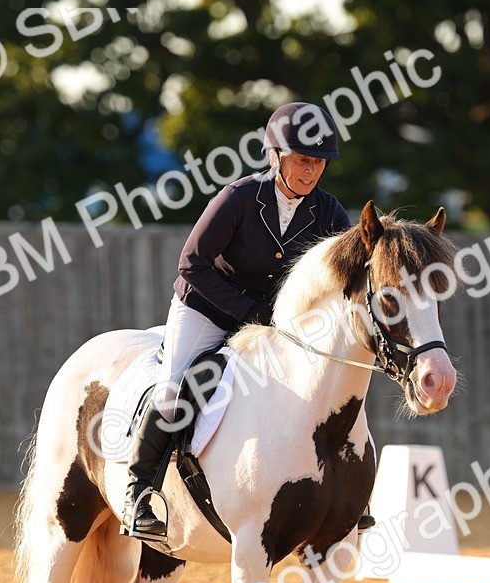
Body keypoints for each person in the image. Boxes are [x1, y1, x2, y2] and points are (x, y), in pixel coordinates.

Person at [121, 100, 373, 539]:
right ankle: (139, 491)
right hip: (207, 308)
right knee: (176, 385)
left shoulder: (329, 213)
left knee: (332, 386)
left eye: (319, 163)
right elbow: (191, 265)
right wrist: (252, 314)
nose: (311, 171)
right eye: (302, 160)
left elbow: (341, 281)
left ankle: (351, 491)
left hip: (280, 324)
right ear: (274, 155)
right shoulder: (238, 199)